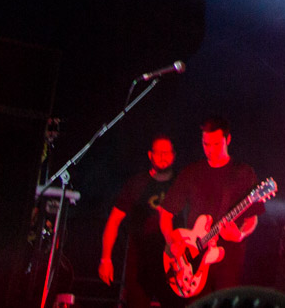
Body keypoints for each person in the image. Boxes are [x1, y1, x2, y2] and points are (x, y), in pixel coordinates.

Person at [160, 117, 262, 293]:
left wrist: (240, 234)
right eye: (206, 144)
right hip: (190, 262)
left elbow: (252, 218)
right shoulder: (191, 172)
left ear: (227, 140)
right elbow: (165, 213)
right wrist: (171, 242)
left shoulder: (243, 173)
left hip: (228, 264)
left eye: (216, 144)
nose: (210, 150)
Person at [101, 136, 182, 308]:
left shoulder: (182, 183)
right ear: (150, 155)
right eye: (158, 153)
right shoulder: (137, 183)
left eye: (166, 153)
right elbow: (114, 221)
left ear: (174, 155)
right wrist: (106, 259)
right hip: (140, 264)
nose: (162, 157)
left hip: (173, 263)